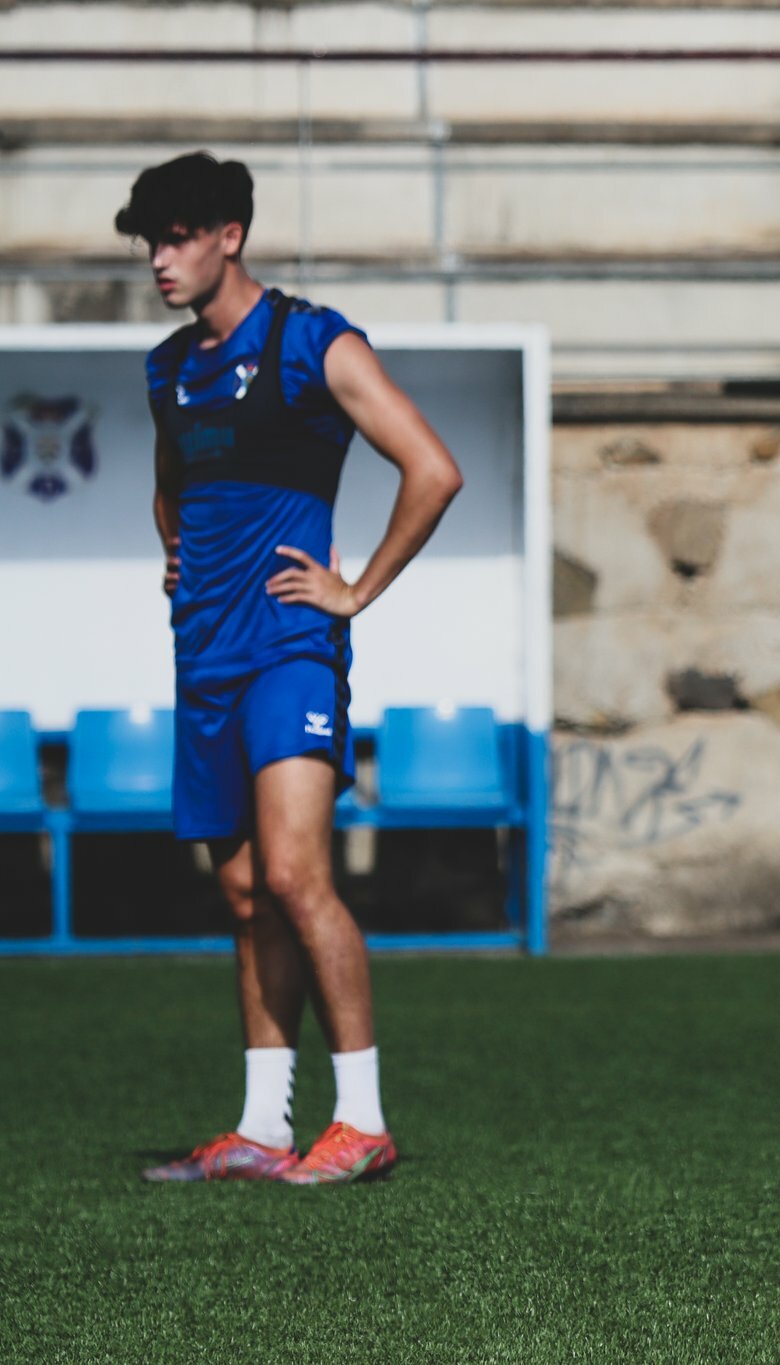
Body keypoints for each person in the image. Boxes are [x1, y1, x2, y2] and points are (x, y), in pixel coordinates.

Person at [120, 152, 464, 1185]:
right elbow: (171, 486)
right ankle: (263, 1126)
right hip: (205, 657)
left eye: (176, 237)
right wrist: (174, 554)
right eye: (149, 242)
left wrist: (354, 591)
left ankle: (361, 1120)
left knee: (292, 874)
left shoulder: (314, 340)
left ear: (230, 234)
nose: (159, 261)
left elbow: (433, 468)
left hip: (289, 652)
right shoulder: (166, 367)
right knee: (239, 893)